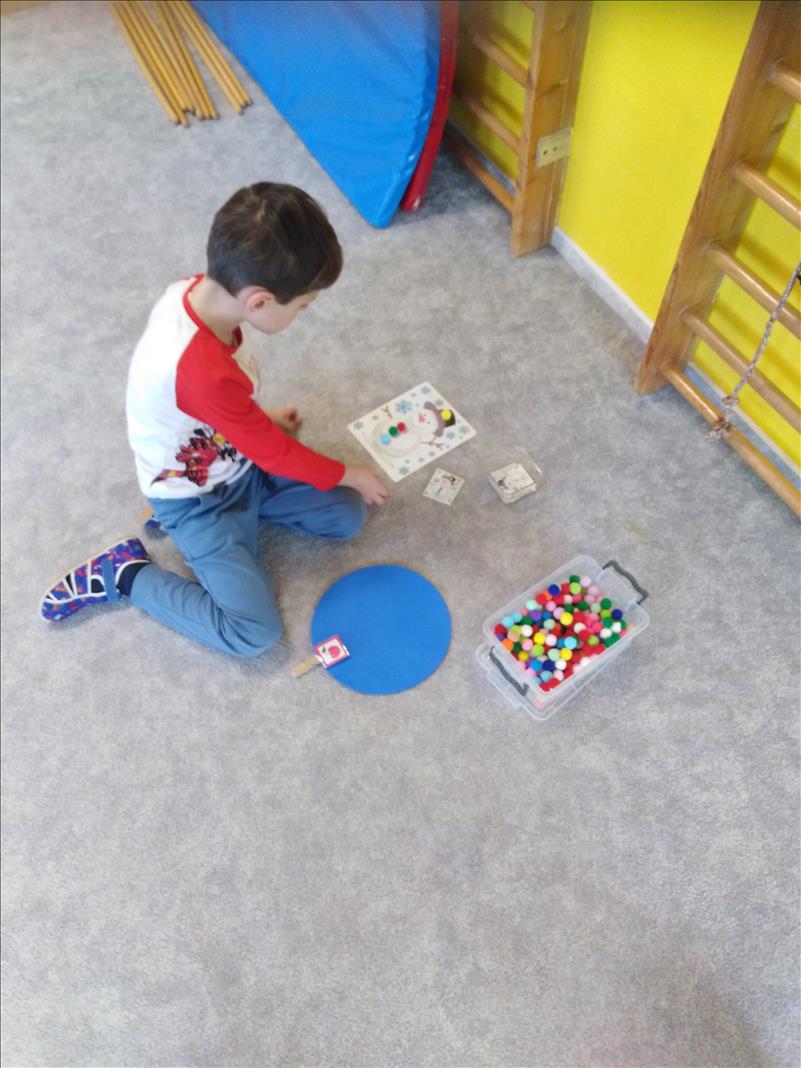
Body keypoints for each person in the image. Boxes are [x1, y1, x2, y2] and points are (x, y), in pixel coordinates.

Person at [40, 182, 388, 656]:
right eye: (302, 306)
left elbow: (210, 408)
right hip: (197, 502)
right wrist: (349, 472)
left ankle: (238, 523)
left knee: (345, 515)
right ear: (259, 301)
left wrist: (255, 419)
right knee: (252, 635)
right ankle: (124, 576)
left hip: (236, 463)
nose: (303, 314)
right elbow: (266, 445)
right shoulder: (200, 370)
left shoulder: (201, 293)